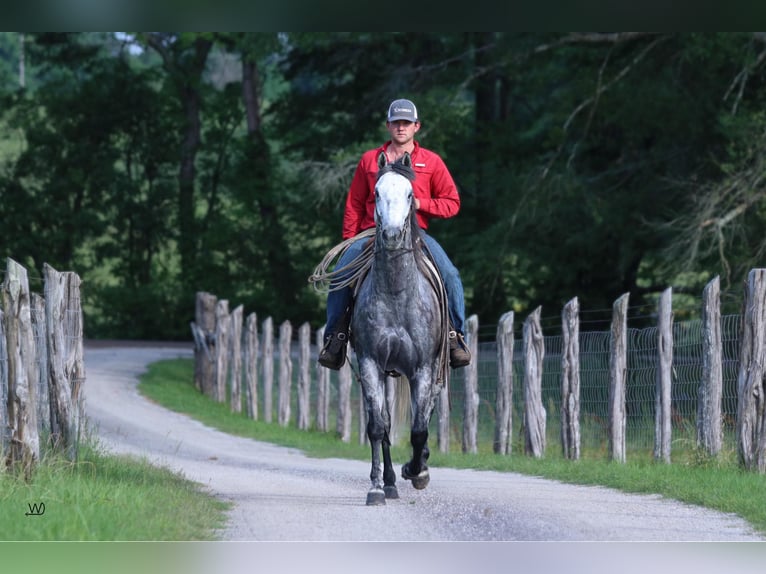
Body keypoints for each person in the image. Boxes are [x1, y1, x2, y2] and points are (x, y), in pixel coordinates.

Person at [318, 98, 471, 370]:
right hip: (369, 233)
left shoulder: (431, 162)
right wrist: (347, 241)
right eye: (396, 123)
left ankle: (454, 336)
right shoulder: (369, 161)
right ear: (388, 126)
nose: (401, 128)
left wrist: (422, 204)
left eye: (407, 123)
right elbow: (354, 202)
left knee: (450, 274)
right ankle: (336, 338)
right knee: (341, 273)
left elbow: (452, 202)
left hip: (415, 234)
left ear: (416, 127)